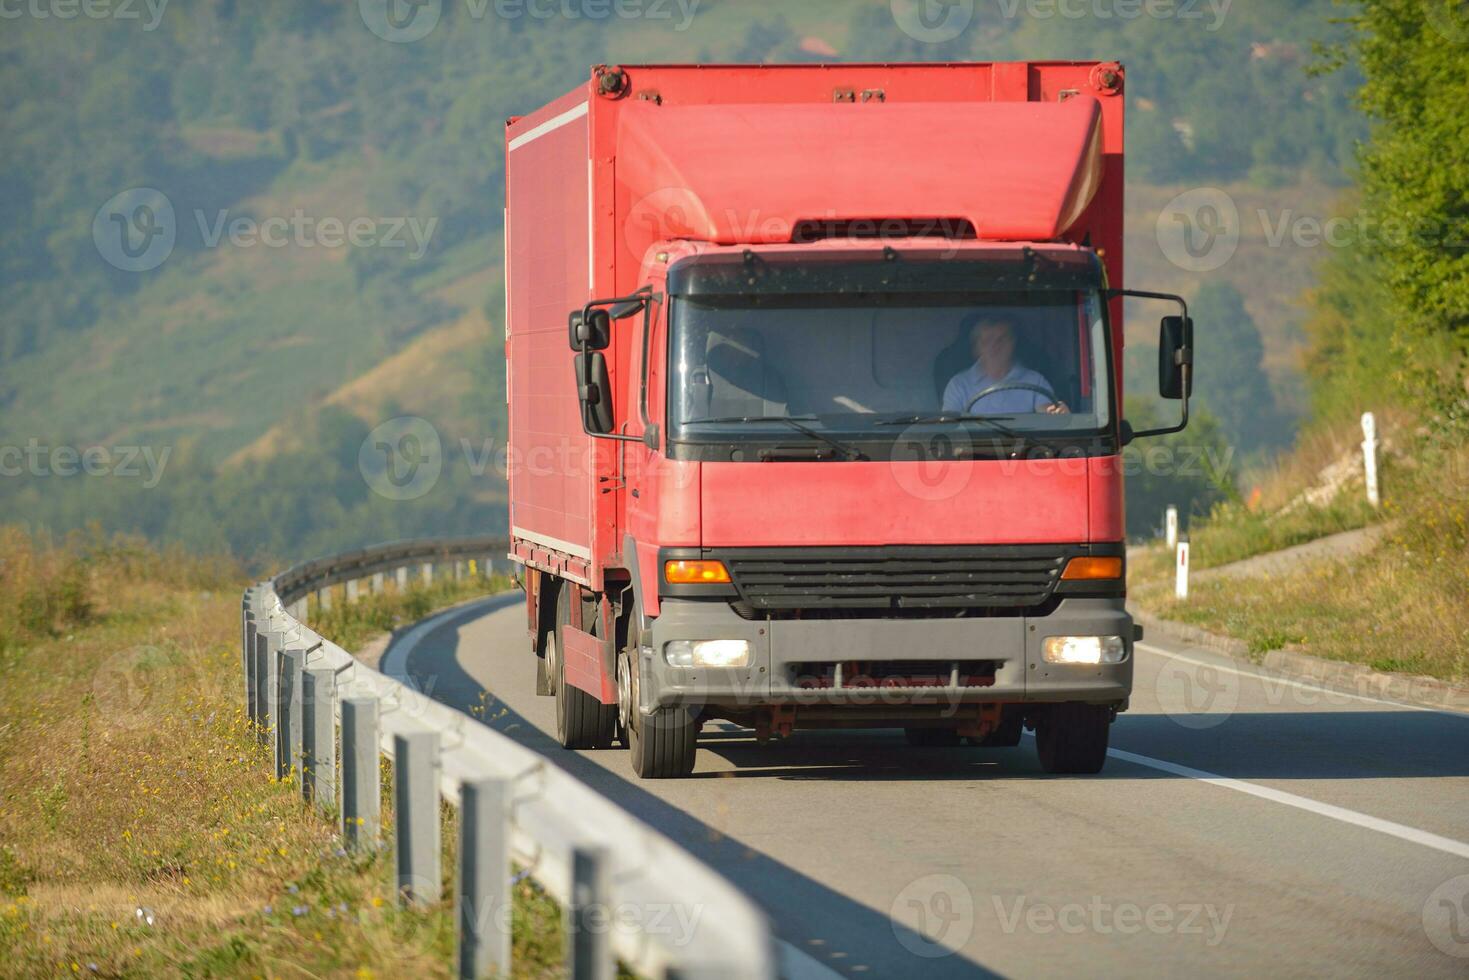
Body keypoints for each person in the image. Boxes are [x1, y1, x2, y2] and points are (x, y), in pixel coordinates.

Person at [941, 317, 1069, 415]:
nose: (995, 346)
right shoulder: (958, 384)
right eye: (987, 341)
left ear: (1013, 344)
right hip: (974, 449)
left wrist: (1058, 413)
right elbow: (951, 428)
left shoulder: (1035, 380)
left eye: (1001, 339)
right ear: (976, 348)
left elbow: (1049, 414)